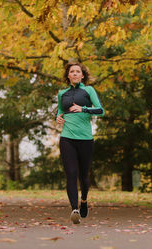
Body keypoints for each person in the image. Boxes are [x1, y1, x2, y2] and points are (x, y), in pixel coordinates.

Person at [56, 62, 104, 224]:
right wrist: (58, 117)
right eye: (72, 72)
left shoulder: (88, 90)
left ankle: (83, 200)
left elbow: (100, 110)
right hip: (67, 138)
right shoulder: (62, 93)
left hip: (85, 139)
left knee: (84, 176)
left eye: (78, 72)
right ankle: (74, 209)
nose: (75, 74)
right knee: (71, 173)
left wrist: (83, 109)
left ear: (82, 75)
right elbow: (60, 111)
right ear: (68, 75)